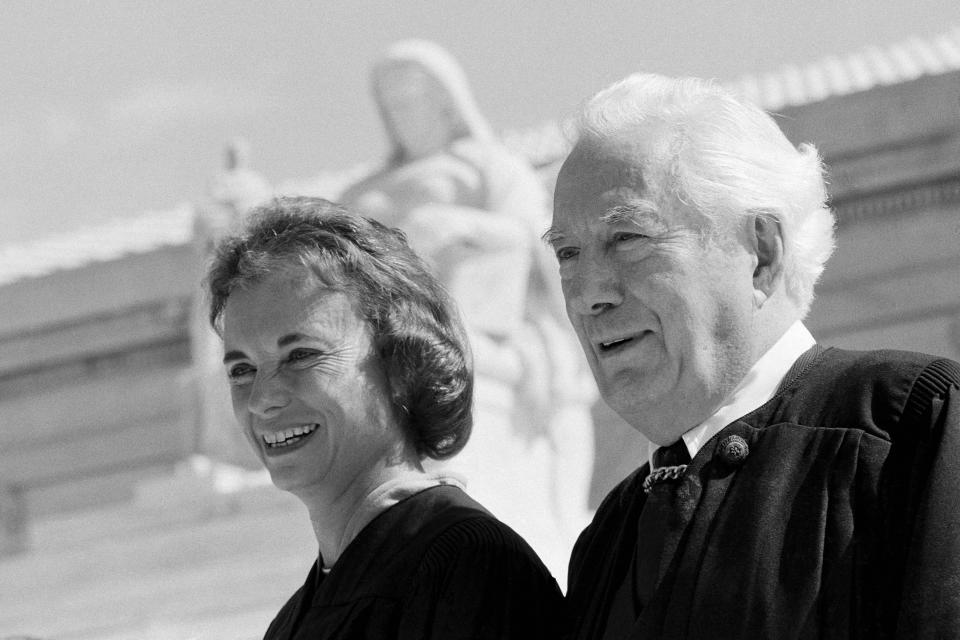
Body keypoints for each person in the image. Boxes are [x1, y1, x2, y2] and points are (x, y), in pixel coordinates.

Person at [546, 73, 960, 639]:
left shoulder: (913, 426)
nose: (590, 292)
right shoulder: (607, 538)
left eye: (628, 238)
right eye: (567, 253)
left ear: (761, 253)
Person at [205, 196, 564, 639]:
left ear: (400, 363)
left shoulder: (467, 565)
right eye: (241, 370)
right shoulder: (292, 621)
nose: (262, 399)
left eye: (300, 355)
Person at [341, 39, 595, 577]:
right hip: (371, 321)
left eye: (413, 100)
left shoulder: (489, 167)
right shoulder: (362, 189)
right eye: (393, 105)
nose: (404, 114)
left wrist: (460, 225)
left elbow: (534, 236)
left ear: (446, 100)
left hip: (467, 316)